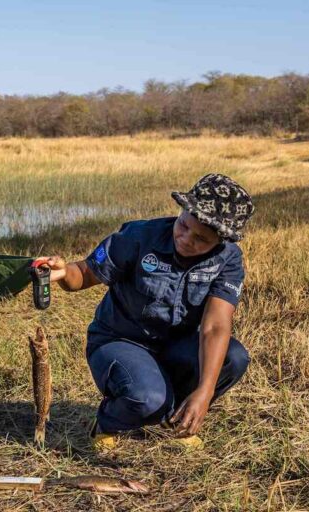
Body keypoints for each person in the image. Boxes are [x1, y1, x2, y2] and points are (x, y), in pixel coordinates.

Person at [34, 174, 254, 449]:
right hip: (120, 341)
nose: (186, 239)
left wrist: (205, 391)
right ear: (182, 211)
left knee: (233, 358)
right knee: (147, 398)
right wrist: (65, 272)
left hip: (175, 346)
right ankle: (107, 422)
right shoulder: (139, 236)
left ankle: (172, 416)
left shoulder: (228, 259)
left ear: (220, 242)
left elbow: (215, 326)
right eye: (183, 225)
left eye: (201, 239)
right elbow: (85, 273)